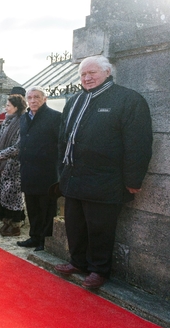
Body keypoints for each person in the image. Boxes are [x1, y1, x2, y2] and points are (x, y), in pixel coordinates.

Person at [55, 55, 152, 289]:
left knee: (100, 227)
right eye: (83, 74)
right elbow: (62, 139)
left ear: (107, 72)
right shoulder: (75, 99)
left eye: (92, 73)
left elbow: (138, 143)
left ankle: (99, 270)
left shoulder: (128, 99)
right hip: (73, 177)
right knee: (74, 225)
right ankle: (77, 262)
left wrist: (133, 179)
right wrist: (61, 172)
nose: (87, 78)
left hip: (105, 179)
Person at [17, 87, 61, 251]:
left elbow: (61, 144)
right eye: (30, 97)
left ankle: (45, 239)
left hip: (46, 172)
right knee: (32, 206)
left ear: (45, 99)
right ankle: (34, 236)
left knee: (46, 209)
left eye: (37, 97)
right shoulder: (24, 118)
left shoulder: (55, 117)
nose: (33, 100)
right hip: (28, 170)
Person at [0, 94, 27, 237]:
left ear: (16, 108)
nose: (5, 108)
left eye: (8, 106)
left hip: (14, 165)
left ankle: (15, 226)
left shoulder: (21, 122)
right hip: (2, 164)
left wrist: (1, 154)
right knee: (3, 196)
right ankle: (6, 224)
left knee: (14, 197)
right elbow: (0, 139)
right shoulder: (7, 121)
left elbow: (18, 146)